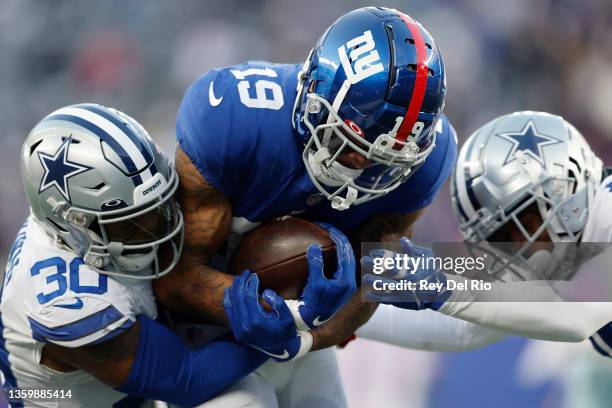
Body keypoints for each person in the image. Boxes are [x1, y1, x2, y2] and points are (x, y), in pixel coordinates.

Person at [153, 6, 456, 407]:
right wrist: (265, 309)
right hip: (195, 330)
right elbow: (175, 279)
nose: (365, 175)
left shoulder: (426, 163)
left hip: (306, 333)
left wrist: (308, 330)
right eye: (352, 150)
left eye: (389, 165)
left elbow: (365, 287)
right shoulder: (234, 120)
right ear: (315, 98)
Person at [1, 103, 321, 407]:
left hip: (156, 366)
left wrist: (355, 281)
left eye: (160, 208)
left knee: (309, 352)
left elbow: (369, 272)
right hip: (78, 402)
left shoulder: (354, 177)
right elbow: (187, 379)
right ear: (73, 224)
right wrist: (297, 326)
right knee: (244, 396)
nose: (159, 230)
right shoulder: (66, 301)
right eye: (130, 224)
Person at [359, 111, 612, 358]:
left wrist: (443, 287)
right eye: (502, 236)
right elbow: (462, 330)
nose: (521, 245)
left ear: (567, 187)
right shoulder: (561, 246)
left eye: (528, 222)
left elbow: (581, 312)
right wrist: (338, 310)